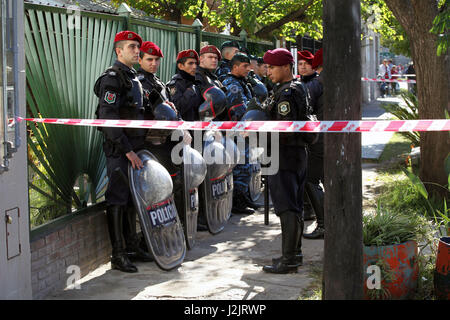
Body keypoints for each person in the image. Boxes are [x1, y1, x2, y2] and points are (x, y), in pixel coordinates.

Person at [94, 31, 153, 273]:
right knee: (118, 198)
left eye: (137, 47)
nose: (136, 51)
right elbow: (108, 119)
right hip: (120, 150)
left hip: (135, 148)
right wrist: (128, 151)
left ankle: (132, 246)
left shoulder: (133, 77)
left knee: (131, 198)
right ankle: (118, 254)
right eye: (131, 47)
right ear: (119, 51)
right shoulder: (112, 78)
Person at [261, 48, 316, 274]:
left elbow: (285, 131)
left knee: (287, 206)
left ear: (286, 67)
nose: (268, 71)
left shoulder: (287, 93)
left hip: (285, 154)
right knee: (293, 205)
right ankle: (294, 254)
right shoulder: (296, 87)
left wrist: (261, 129)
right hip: (294, 154)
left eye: (272, 67)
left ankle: (289, 259)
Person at [222, 53, 256, 215]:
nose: (248, 69)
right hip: (238, 131)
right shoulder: (232, 84)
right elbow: (239, 109)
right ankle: (237, 202)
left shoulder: (241, 82)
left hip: (244, 130)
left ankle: (243, 197)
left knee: (247, 164)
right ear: (234, 66)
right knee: (242, 166)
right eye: (244, 66)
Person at [302, 48, 325, 240]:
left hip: (320, 141)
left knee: (311, 178)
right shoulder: (342, 81)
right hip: (339, 140)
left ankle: (325, 224)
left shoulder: (316, 84)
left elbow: (306, 111)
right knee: (329, 179)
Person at [167, 49, 203, 121]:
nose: (194, 67)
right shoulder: (175, 84)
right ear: (180, 66)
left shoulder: (197, 82)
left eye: (196, 64)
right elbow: (177, 108)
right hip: (183, 128)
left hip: (198, 128)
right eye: (190, 63)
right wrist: (190, 91)